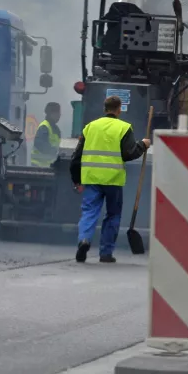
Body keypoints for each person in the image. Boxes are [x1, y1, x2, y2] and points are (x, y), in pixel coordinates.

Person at [70, 96, 150, 263]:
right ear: (119, 109)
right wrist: (143, 145)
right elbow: (129, 154)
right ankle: (106, 253)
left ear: (104, 108)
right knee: (112, 215)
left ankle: (84, 240)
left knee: (89, 212)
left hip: (91, 178)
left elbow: (76, 157)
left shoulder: (90, 127)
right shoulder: (124, 127)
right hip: (113, 180)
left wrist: (76, 180)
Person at [30, 102, 62, 167]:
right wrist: (55, 152)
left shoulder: (56, 129)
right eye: (58, 113)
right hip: (38, 166)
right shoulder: (44, 127)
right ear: (52, 114)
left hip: (48, 166)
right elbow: (39, 143)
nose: (60, 115)